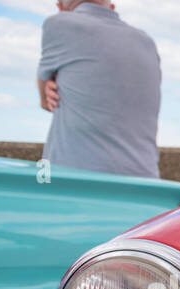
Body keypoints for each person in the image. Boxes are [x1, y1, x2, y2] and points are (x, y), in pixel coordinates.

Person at [36, 1, 161, 179]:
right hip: (146, 182)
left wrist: (49, 82)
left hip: (79, 183)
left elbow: (45, 102)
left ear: (61, 8)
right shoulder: (147, 41)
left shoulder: (59, 23)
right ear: (111, 8)